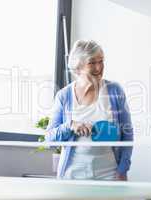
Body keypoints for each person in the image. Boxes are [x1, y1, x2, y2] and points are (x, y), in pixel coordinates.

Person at [45, 40, 133, 181]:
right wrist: (70, 126)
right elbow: (49, 139)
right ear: (78, 67)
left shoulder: (115, 91)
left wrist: (123, 169)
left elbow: (127, 134)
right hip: (73, 173)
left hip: (109, 172)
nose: (99, 67)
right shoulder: (64, 96)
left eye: (101, 61)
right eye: (92, 62)